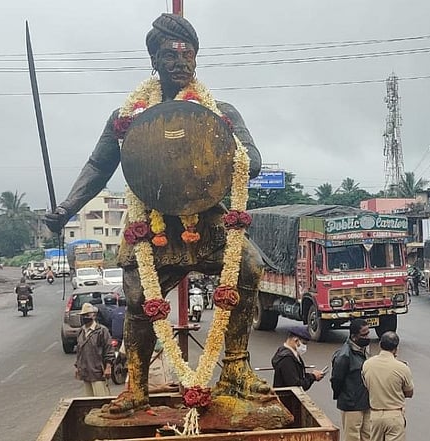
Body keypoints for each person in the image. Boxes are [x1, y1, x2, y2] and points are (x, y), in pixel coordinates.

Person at [42, 13, 270, 416]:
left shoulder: (221, 113)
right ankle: (137, 387)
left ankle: (236, 370)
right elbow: (98, 167)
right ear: (154, 59)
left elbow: (252, 159)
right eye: (171, 56)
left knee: (249, 265)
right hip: (154, 225)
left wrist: (227, 154)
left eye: (188, 56)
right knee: (137, 299)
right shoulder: (127, 119)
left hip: (206, 219)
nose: (181, 64)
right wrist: (65, 209)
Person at [362, 332, 414, 441]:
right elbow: (409, 392)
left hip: (375, 415)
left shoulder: (367, 364)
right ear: (396, 348)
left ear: (380, 345)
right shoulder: (402, 368)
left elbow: (366, 386)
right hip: (394, 415)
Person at [331, 319, 372, 441]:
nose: (368, 337)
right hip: (351, 405)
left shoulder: (365, 349)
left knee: (368, 436)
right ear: (354, 337)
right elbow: (336, 380)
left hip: (366, 402)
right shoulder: (344, 356)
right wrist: (346, 397)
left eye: (368, 333)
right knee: (352, 437)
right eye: (364, 334)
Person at [74, 303, 115, 397]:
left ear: (94, 315)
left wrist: (108, 368)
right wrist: (77, 367)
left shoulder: (102, 331)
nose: (85, 317)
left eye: (87, 315)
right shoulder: (81, 331)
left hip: (98, 371)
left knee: (101, 399)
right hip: (85, 371)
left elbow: (109, 350)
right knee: (89, 400)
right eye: (83, 315)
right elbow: (79, 351)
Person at [272, 326, 324, 390]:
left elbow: (297, 376)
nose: (305, 347)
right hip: (286, 397)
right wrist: (313, 377)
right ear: (296, 340)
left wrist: (312, 375)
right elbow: (296, 385)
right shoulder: (287, 359)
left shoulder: (286, 352)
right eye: (304, 343)